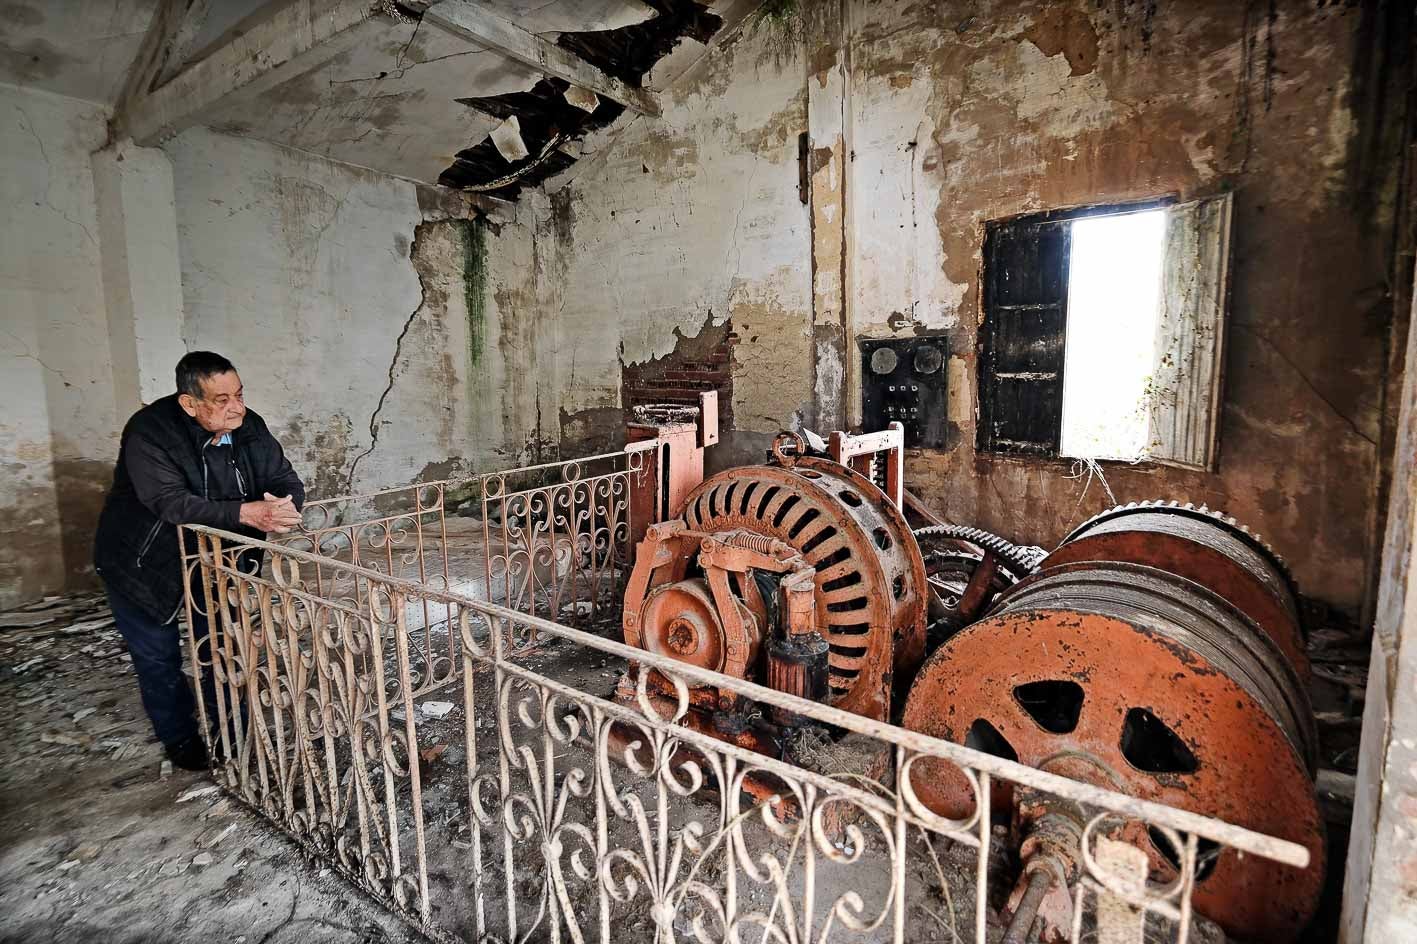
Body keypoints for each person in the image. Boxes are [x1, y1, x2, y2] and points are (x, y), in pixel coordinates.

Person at [94, 352, 306, 770]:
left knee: (224, 648)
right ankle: (180, 740)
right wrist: (247, 513)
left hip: (220, 562)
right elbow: (169, 502)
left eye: (240, 394)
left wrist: (284, 505)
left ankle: (235, 736)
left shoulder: (249, 426)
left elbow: (283, 477)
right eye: (222, 398)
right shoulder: (151, 432)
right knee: (159, 656)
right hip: (144, 561)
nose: (237, 407)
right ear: (190, 403)